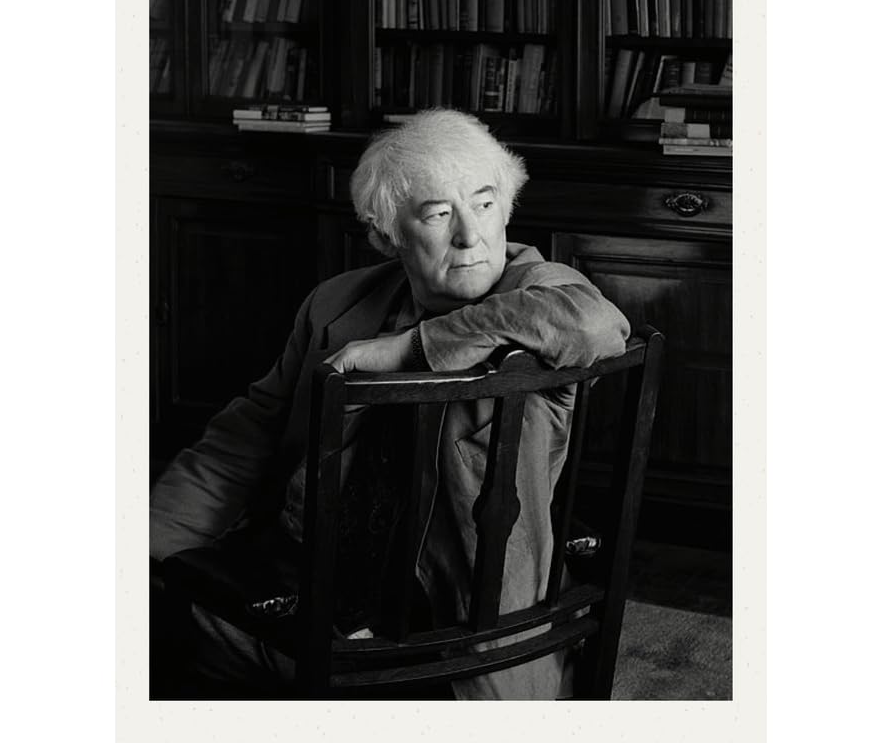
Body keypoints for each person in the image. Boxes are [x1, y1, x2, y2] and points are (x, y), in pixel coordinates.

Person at [150, 108, 631, 699]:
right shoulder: (336, 302)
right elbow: (246, 435)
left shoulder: (541, 291)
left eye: (484, 204)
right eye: (437, 214)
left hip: (457, 612)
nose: (470, 236)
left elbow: (597, 325)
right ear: (386, 236)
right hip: (313, 570)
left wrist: (412, 349)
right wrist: (156, 546)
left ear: (507, 209)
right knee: (162, 623)